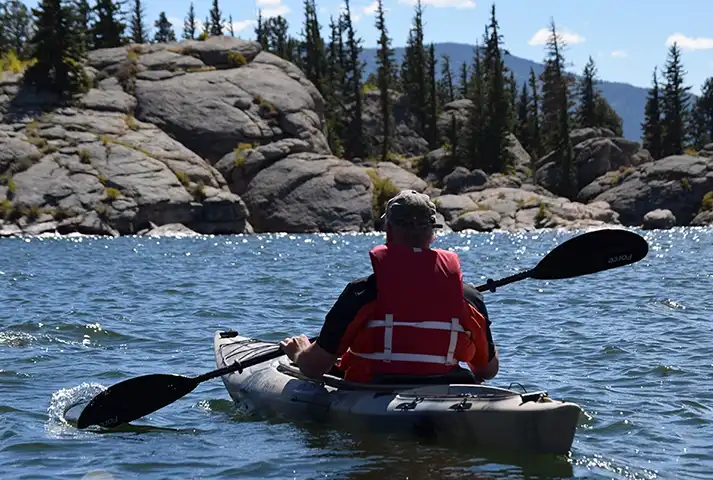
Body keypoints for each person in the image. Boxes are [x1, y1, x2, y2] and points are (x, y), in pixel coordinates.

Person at [279, 189, 499, 384]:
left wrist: (298, 353)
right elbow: (487, 370)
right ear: (433, 234)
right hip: (445, 390)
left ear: (388, 231)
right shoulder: (469, 296)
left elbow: (315, 367)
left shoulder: (362, 293)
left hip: (375, 391)